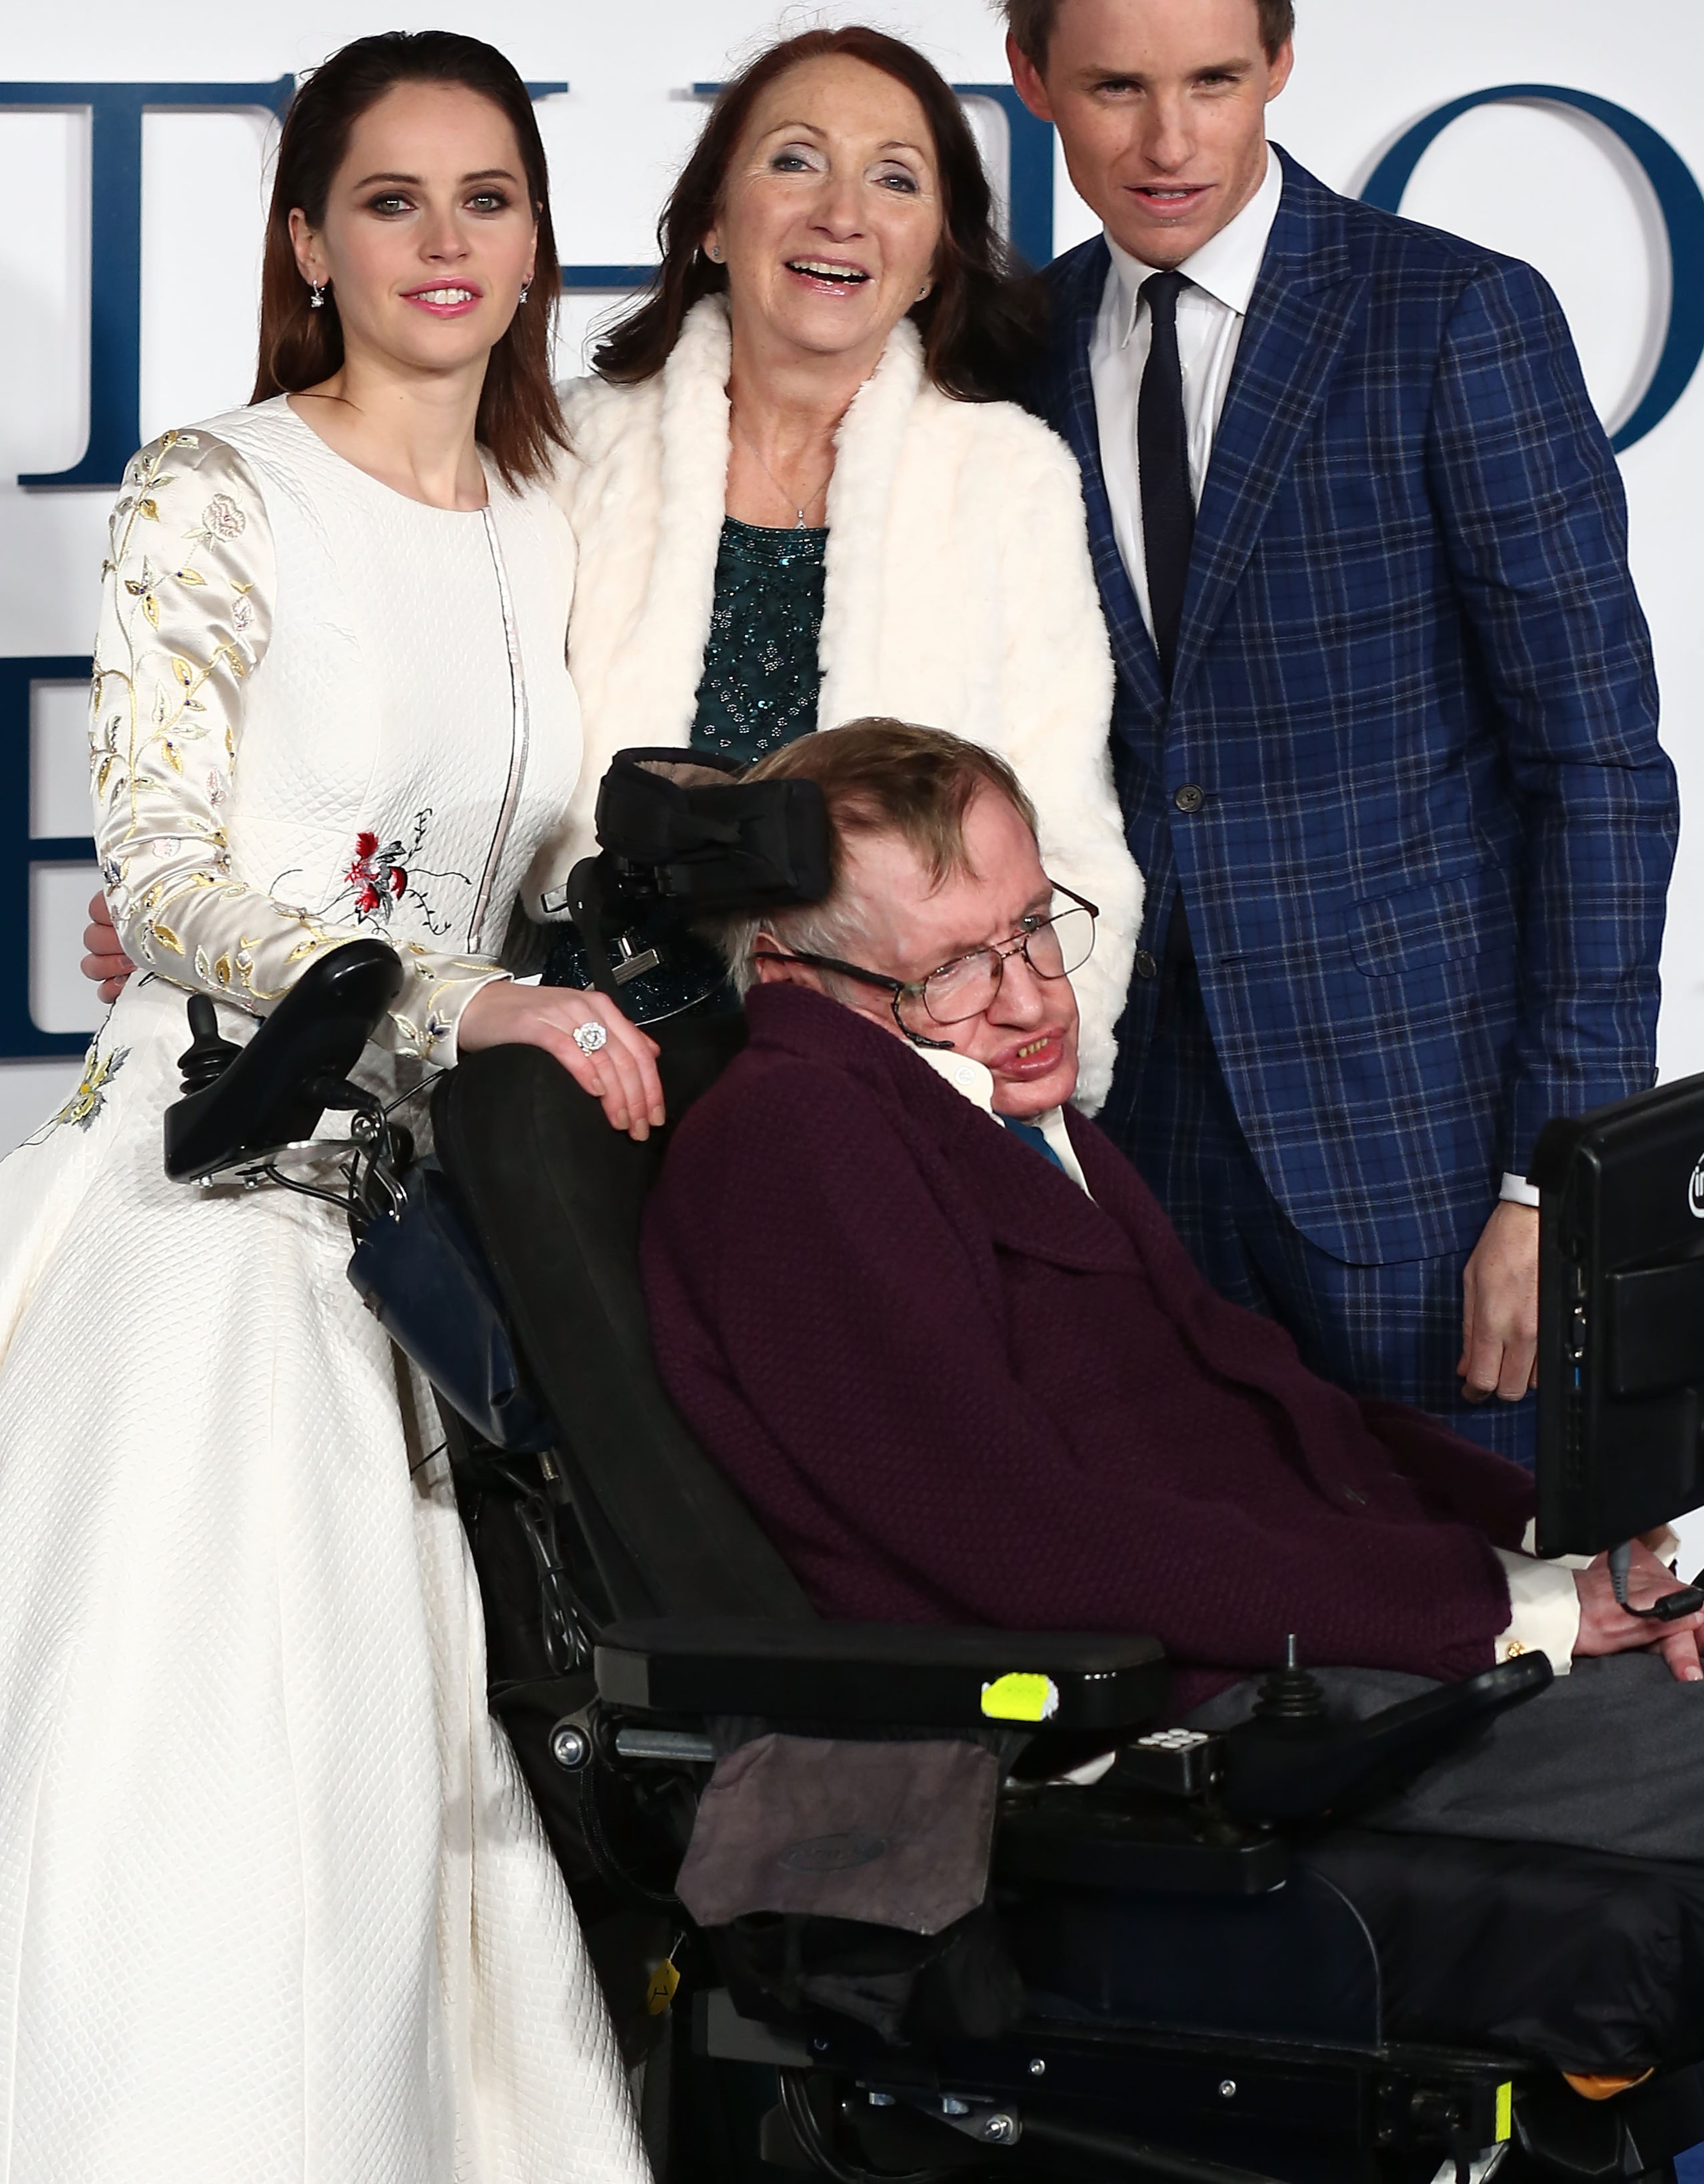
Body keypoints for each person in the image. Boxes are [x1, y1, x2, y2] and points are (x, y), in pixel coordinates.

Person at [0, 32, 653, 2180]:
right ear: (307, 238)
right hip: (221, 1204)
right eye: (391, 199)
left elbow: (560, 862)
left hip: (450, 1239)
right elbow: (166, 872)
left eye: (489, 196)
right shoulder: (216, 483)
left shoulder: (561, 511)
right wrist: (467, 1004)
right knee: (214, 1786)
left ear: (543, 237)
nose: (445, 243)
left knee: (400, 1782)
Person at [643, 717, 1704, 1863]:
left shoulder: (980, 1105)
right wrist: (1514, 1613)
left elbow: (1270, 1403)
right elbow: (1020, 1538)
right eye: (953, 969)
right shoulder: (803, 1140)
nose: (1030, 1002)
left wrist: (1547, 1539)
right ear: (794, 973)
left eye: (1036, 928)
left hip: (1276, 1647)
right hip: (1146, 1724)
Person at [993, 0, 1679, 1458]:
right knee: (1188, 1665)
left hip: (1429, 1178)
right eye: (1115, 90)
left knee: (1512, 1675)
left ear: (1285, 56)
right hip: (1124, 1163)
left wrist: (1555, 1182)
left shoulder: (1455, 322)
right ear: (1028, 75)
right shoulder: (1003, 356)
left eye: (1218, 80)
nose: (1173, 142)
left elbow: (1599, 774)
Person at [545, 24, 1140, 1102]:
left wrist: (1001, 1091)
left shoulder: (1009, 476)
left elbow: (1067, 837)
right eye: (795, 159)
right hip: (595, 1070)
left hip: (902, 1096)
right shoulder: (567, 455)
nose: (842, 212)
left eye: (895, 179)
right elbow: (458, 772)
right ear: (716, 221)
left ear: (931, 259)